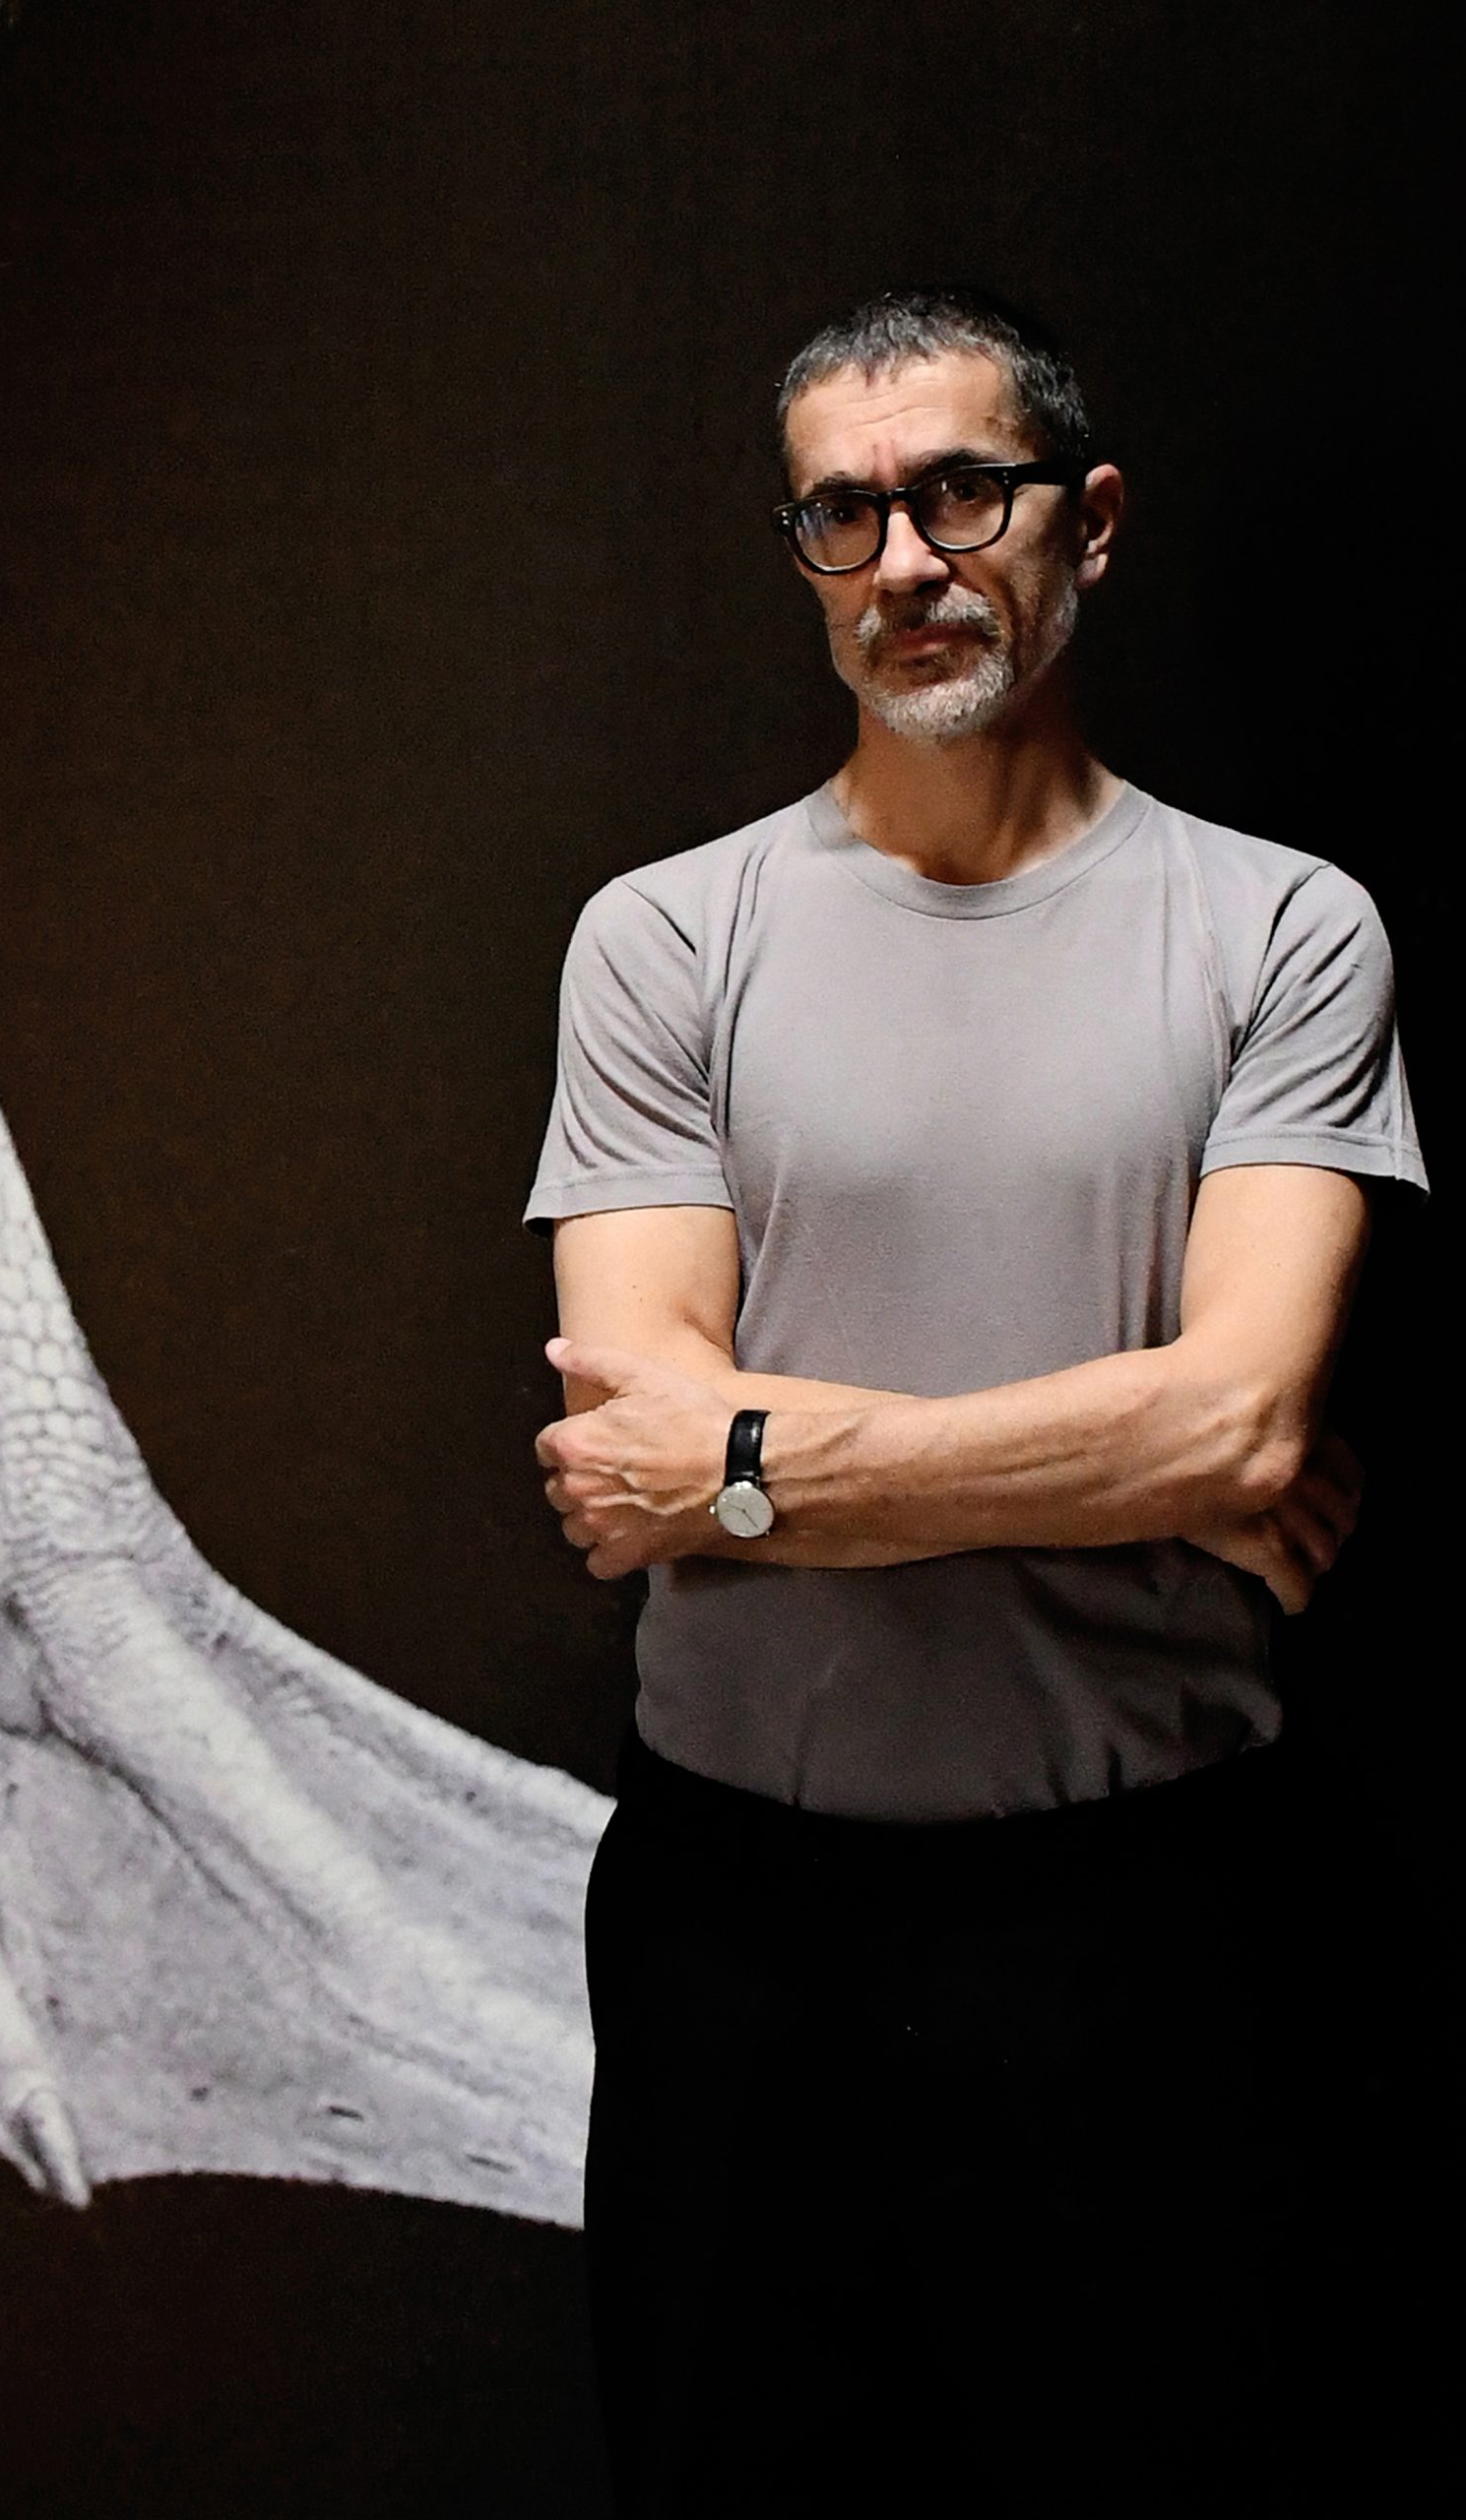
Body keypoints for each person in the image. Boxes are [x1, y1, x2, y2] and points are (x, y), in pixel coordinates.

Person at [522, 288, 1428, 2516]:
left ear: (1085, 520)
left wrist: (752, 1465)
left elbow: (1239, 1425)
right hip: (737, 1933)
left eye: (959, 493)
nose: (906, 561)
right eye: (843, 515)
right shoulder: (662, 938)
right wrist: (1132, 1461)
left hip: (1137, 1926)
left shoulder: (1283, 931)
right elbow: (626, 1455)